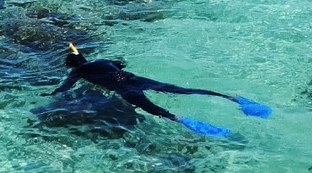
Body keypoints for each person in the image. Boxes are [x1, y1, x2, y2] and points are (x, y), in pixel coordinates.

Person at [50, 44, 270, 136]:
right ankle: (233, 98)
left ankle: (183, 119)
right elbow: (121, 63)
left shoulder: (77, 72)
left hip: (122, 88)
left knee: (156, 110)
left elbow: (64, 88)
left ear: (71, 66)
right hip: (133, 78)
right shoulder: (102, 60)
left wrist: (50, 95)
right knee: (179, 90)